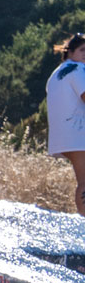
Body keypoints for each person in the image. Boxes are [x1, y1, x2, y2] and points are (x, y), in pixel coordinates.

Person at [48, 34, 85, 216]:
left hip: (63, 135)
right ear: (69, 52)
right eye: (82, 50)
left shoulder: (57, 73)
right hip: (78, 134)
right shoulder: (78, 70)